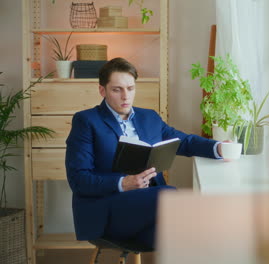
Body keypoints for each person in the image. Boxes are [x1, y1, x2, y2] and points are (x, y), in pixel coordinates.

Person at [65, 57, 225, 249]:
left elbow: (184, 141)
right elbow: (78, 180)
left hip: (148, 210)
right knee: (169, 197)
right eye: (117, 90)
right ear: (102, 90)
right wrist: (124, 183)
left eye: (130, 88)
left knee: (190, 235)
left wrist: (218, 147)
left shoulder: (149, 117)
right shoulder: (86, 121)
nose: (126, 96)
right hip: (109, 210)